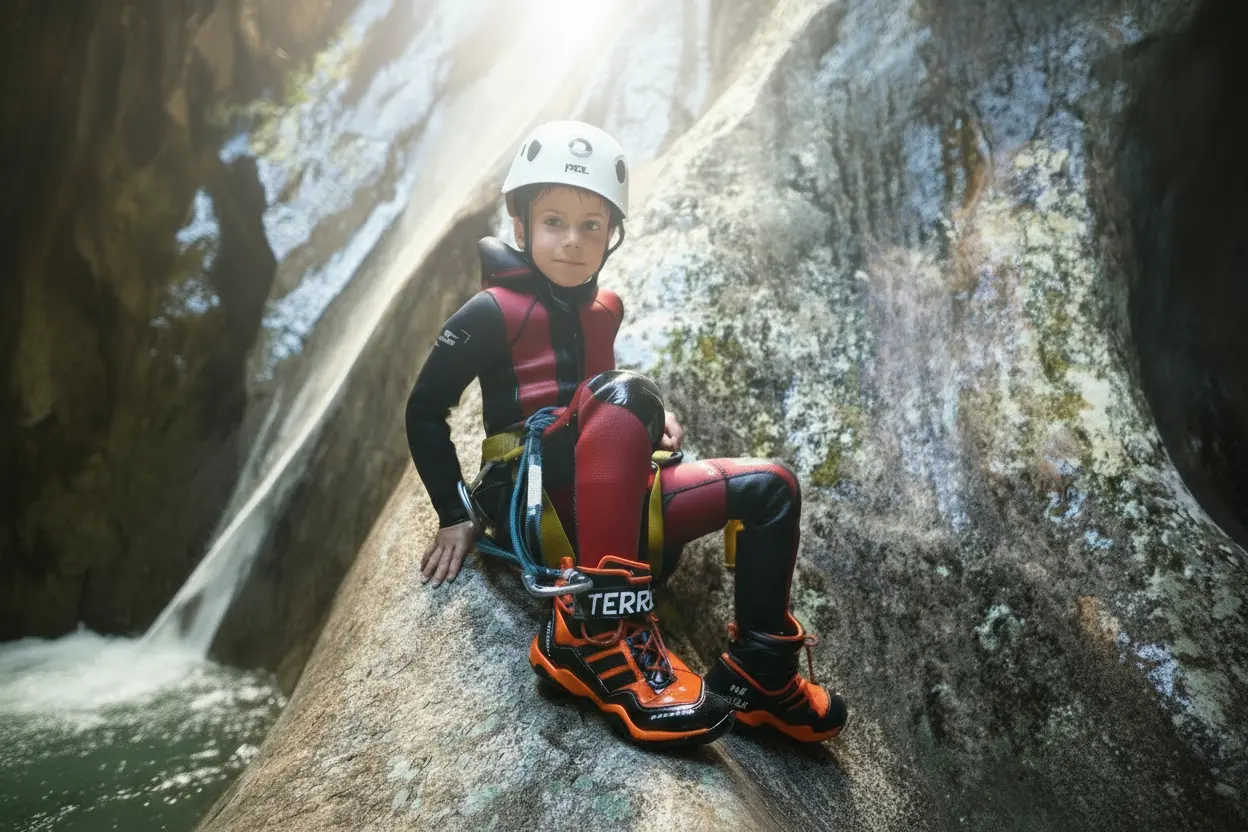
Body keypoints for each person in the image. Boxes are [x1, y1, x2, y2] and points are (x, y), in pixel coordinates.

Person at [405, 120, 848, 748]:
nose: (572, 241)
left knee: (772, 489)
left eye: (592, 225)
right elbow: (424, 410)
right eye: (553, 221)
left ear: (613, 234)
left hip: (615, 494)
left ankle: (759, 673)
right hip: (536, 497)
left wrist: (636, 423)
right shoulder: (491, 312)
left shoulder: (603, 310)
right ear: (521, 224)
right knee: (624, 393)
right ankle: (592, 636)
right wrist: (454, 513)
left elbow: (596, 391)